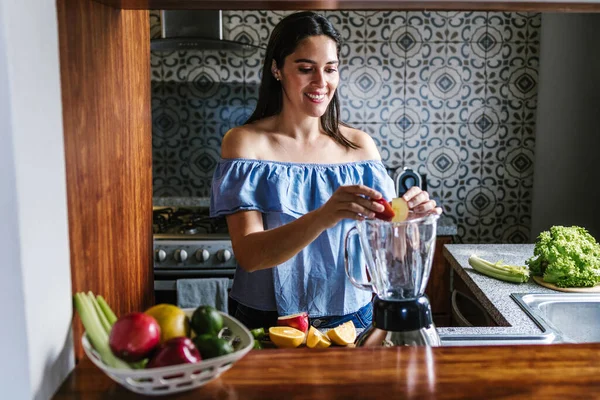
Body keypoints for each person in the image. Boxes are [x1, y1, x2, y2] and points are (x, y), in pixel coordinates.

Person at [210, 11, 441, 330]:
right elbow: (251, 255)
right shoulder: (245, 144)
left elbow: (389, 253)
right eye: (306, 69)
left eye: (330, 69)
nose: (321, 82)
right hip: (265, 320)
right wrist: (325, 214)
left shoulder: (361, 147)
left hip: (353, 317)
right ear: (277, 69)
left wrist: (410, 225)